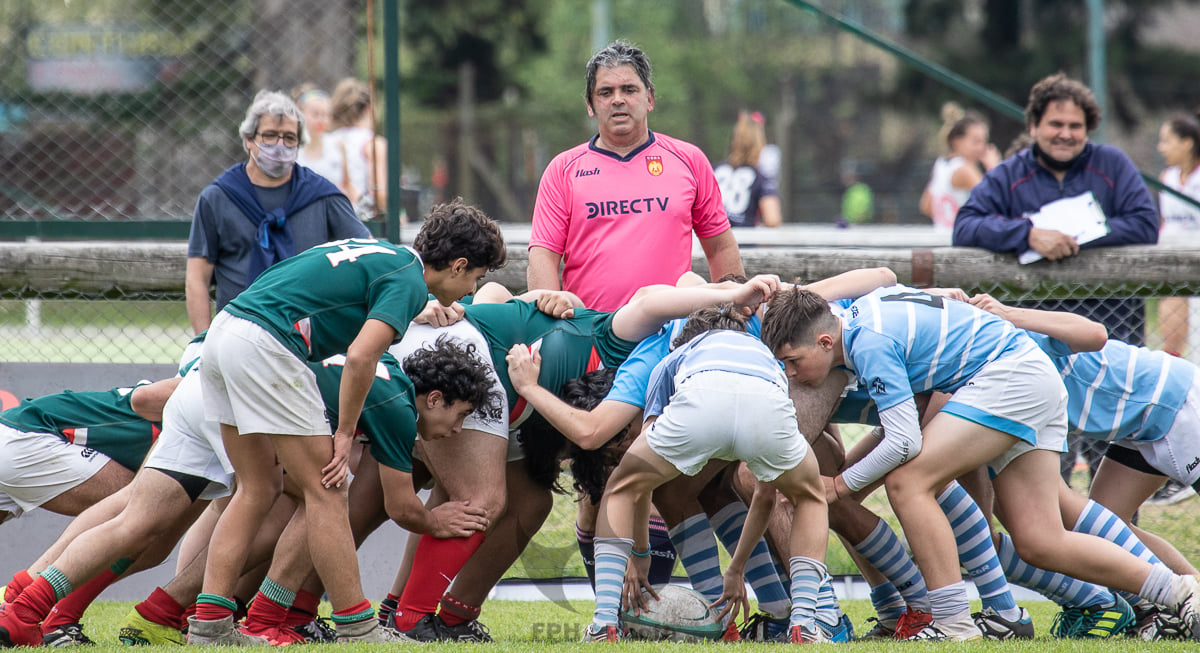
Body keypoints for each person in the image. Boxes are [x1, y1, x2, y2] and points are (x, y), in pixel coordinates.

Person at [761, 285, 1200, 642]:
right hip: (1028, 378)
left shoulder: (867, 339)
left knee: (908, 482)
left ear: (823, 341)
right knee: (1039, 539)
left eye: (793, 362)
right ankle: (1179, 591)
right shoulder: (863, 318)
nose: (792, 375)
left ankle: (953, 622)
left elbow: (902, 440)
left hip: (1010, 378)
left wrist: (839, 486)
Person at [186, 200, 504, 645]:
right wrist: (343, 433)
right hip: (267, 345)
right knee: (328, 490)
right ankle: (360, 627)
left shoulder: (384, 256)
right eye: (476, 278)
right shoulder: (408, 281)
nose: (472, 291)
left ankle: (211, 626)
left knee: (257, 489)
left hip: (223, 333)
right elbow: (360, 358)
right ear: (458, 265)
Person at [583, 305, 834, 644]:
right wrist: (736, 568)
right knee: (810, 497)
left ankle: (603, 625)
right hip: (765, 408)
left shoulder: (677, 354)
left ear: (686, 338)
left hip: (702, 398)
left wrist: (641, 555)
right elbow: (765, 494)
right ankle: (804, 624)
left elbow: (641, 488)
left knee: (623, 484)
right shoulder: (765, 357)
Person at [527, 39, 744, 312]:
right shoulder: (562, 170)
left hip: (671, 331)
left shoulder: (689, 160)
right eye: (605, 92)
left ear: (649, 98)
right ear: (590, 105)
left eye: (629, 89)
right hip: (592, 334)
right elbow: (543, 257)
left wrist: (734, 313)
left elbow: (720, 248)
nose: (618, 99)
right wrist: (548, 325)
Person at [953, 72, 1159, 346]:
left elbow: (1145, 223)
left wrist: (1078, 232)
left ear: (1088, 129)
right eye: (1056, 124)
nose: (1065, 134)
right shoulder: (1008, 175)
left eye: (1075, 126)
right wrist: (1028, 235)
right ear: (1033, 126)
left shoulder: (1113, 164)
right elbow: (966, 226)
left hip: (1112, 332)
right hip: (1031, 334)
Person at [185, 90, 370, 335]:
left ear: (299, 143)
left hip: (310, 337)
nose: (280, 146)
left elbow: (369, 254)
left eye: (289, 138)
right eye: (270, 136)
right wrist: (203, 344)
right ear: (249, 139)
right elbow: (197, 278)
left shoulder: (322, 195)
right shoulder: (219, 197)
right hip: (236, 333)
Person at [0, 378, 178, 527]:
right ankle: (53, 570)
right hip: (29, 438)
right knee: (144, 510)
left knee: (142, 514)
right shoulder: (176, 400)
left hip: (15, 428)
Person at [1149, 110, 1200, 506]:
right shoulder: (1168, 179)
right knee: (1174, 353)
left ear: (1187, 142)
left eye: (1167, 139)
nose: (1161, 147)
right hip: (1175, 273)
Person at [920, 102, 1000, 230]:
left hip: (940, 238)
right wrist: (994, 169)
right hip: (960, 243)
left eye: (984, 141)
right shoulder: (965, 169)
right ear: (956, 142)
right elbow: (996, 203)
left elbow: (926, 206)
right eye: (976, 141)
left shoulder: (940, 165)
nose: (982, 147)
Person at [325, 78, 387, 220]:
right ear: (368, 109)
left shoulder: (328, 140)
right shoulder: (373, 144)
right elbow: (380, 194)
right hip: (359, 220)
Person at [714, 111, 782, 228]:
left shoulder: (713, 170)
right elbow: (772, 219)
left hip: (710, 243)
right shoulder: (760, 178)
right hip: (742, 243)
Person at [291, 84, 341, 187]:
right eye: (315, 114)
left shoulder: (338, 145)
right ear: (301, 113)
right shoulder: (292, 147)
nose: (321, 120)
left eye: (325, 115)